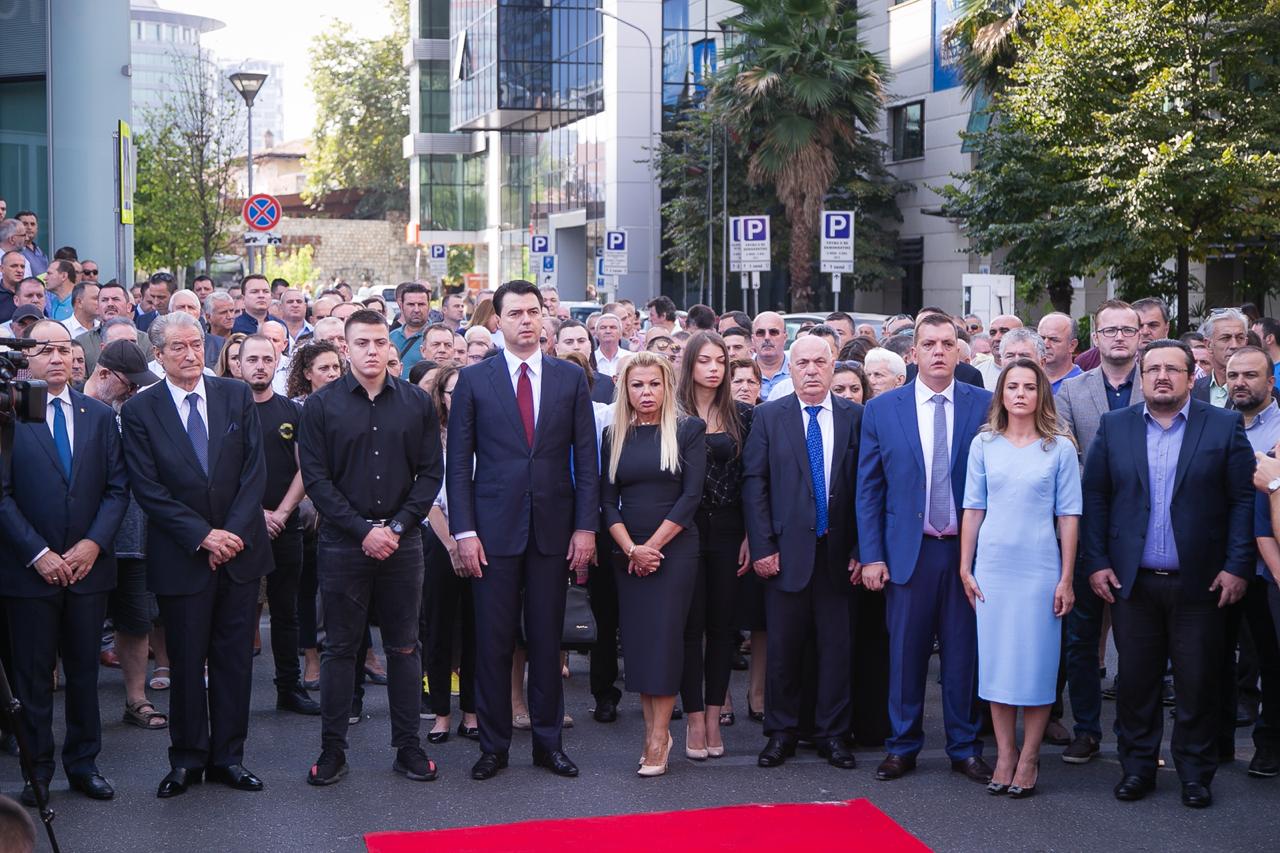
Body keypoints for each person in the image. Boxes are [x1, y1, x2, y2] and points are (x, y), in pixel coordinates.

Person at [1082, 338, 1253, 809]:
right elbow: (1095, 496)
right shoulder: (1115, 426)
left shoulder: (1222, 425)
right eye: (1153, 368)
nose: (1162, 376)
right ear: (1141, 377)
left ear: (1191, 376)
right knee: (1137, 683)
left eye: (1173, 369)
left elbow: (1243, 500)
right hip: (1132, 582)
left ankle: (1195, 774)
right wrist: (1097, 562)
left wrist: (1236, 565)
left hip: (1201, 582)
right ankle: (1137, 768)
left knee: (1197, 683)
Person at [446, 279, 598, 781]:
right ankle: (493, 746)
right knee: (492, 642)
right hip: (492, 533)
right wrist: (464, 532)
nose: (527, 321)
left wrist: (586, 527)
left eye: (534, 312)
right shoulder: (474, 380)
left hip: (554, 531)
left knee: (548, 642)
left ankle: (549, 744)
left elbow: (586, 460)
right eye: (516, 313)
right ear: (498, 321)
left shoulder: (569, 378)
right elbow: (458, 464)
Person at [120, 311, 273, 799]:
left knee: (234, 661)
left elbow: (254, 471)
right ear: (158, 355)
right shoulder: (141, 410)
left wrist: (229, 535)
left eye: (196, 344)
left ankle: (229, 757)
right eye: (178, 347)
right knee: (185, 662)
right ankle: (186, 759)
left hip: (240, 551)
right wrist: (203, 536)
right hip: (183, 554)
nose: (190, 355)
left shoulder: (234, 394)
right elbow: (148, 487)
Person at [298, 310, 443, 786]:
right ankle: (332, 750)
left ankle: (408, 748)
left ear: (390, 346)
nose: (372, 350)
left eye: (380, 342)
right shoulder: (321, 406)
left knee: (404, 646)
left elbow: (431, 473)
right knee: (340, 649)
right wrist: (363, 531)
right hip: (343, 543)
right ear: (346, 348)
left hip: (403, 542)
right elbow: (316, 480)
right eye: (362, 343)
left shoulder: (417, 403)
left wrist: (396, 527)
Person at [857, 313, 994, 784]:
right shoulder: (882, 409)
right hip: (906, 552)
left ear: (959, 352)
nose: (939, 351)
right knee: (905, 655)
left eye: (947, 343)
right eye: (929, 344)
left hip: (964, 553)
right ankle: (902, 745)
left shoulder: (984, 404)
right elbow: (869, 489)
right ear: (913, 353)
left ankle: (965, 747)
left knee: (963, 656)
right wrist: (872, 555)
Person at [0, 321, 128, 806]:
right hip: (28, 571)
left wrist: (93, 544)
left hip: (87, 570)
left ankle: (84, 765)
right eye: (45, 350)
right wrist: (38, 553)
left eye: (65, 350)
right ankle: (37, 770)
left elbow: (117, 489)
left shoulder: (99, 415)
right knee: (33, 678)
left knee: (84, 674)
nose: (57, 358)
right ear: (26, 360)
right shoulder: (9, 416)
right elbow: (1, 495)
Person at [959, 358, 1081, 798]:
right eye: (1013, 386)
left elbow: (1069, 516)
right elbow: (973, 508)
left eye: (1029, 387)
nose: (1021, 394)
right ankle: (1005, 754)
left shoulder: (1059, 447)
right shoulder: (984, 444)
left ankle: (1029, 757)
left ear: (1041, 394)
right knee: (996, 665)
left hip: (1039, 569)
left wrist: (1066, 578)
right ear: (1002, 393)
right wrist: (965, 566)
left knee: (1036, 665)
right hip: (993, 568)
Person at [743, 335, 863, 770]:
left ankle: (833, 734)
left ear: (834, 366)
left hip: (839, 554)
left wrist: (862, 549)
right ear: (789, 369)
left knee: (837, 650)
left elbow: (867, 487)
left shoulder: (855, 417)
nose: (811, 370)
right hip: (784, 553)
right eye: (802, 363)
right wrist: (762, 546)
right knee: (783, 650)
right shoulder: (768, 416)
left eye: (819, 362)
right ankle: (781, 732)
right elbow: (754, 484)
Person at [601, 352, 706, 776]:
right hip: (628, 554)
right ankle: (651, 731)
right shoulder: (613, 435)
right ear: (625, 390)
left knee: (663, 640)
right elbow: (607, 501)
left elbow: (691, 496)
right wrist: (632, 550)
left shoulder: (688, 430)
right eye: (638, 385)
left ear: (667, 387)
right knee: (640, 643)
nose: (646, 392)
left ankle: (659, 736)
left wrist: (651, 547)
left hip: (674, 551)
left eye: (654, 384)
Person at [1054, 299, 1145, 765]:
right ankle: (1087, 729)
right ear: (1096, 338)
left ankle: (1136, 735)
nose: (1119, 337)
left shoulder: (1158, 383)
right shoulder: (1071, 391)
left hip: (1145, 532)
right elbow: (1066, 454)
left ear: (1140, 336)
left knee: (1140, 642)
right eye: (1110, 330)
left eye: (1127, 330)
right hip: (1086, 529)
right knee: (1081, 638)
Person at [677, 332, 753, 760]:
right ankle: (692, 718)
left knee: (723, 628)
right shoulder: (671, 412)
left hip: (728, 529)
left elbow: (752, 480)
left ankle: (712, 716)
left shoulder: (743, 415)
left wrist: (750, 535)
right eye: (704, 360)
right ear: (689, 365)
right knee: (690, 628)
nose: (713, 368)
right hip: (683, 530)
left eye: (720, 361)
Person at [237, 335, 321, 717]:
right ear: (238, 364)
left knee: (287, 611)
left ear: (277, 364)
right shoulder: (228, 410)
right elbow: (223, 472)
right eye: (252, 359)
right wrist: (255, 514)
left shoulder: (293, 412)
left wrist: (282, 514)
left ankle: (289, 688)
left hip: (285, 525)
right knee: (239, 612)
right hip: (240, 526)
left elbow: (307, 468)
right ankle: (233, 691)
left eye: (267, 359)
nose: (260, 366)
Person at [1222, 347, 1280, 778]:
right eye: (1233, 375)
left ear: (1271, 382)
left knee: (1271, 659)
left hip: (1267, 568)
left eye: (1251, 375)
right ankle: (1216, 741)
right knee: (1213, 656)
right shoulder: (1212, 424)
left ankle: (1269, 744)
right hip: (1220, 561)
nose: (1240, 382)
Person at [421, 365, 479, 742]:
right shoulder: (428, 438)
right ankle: (441, 712)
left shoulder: (488, 434)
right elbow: (427, 497)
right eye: (452, 392)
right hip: (438, 541)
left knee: (477, 628)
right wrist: (451, 544)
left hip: (482, 539)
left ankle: (471, 712)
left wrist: (469, 540)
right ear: (441, 397)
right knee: (438, 627)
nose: (459, 398)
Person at [1193, 308, 1248, 407]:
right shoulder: (1192, 390)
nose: (1234, 345)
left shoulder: (1260, 391)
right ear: (1209, 345)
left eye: (1240, 338)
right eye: (1225, 338)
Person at [390, 283, 431, 371]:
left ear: (429, 306)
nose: (416, 310)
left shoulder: (438, 338)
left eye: (421, 304)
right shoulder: (391, 337)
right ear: (401, 306)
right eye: (411, 304)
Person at [1037, 313, 1083, 392]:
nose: (1045, 345)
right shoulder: (1026, 380)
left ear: (1072, 345)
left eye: (1054, 340)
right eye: (1041, 338)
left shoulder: (1085, 385)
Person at [977, 314, 1023, 389]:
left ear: (1021, 337)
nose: (996, 338)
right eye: (993, 333)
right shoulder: (979, 372)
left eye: (1004, 332)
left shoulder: (1033, 371)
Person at [751, 312, 790, 399]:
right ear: (753, 339)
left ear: (785, 337)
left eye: (773, 332)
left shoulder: (797, 371)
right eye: (760, 333)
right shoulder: (741, 372)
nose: (767, 337)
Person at [594, 313, 625, 377]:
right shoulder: (590, 359)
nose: (608, 331)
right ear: (596, 334)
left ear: (620, 334)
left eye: (613, 327)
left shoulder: (630, 358)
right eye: (603, 328)